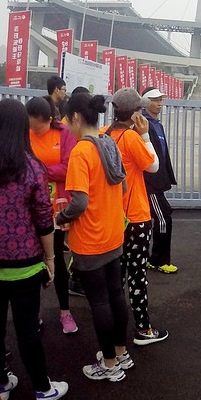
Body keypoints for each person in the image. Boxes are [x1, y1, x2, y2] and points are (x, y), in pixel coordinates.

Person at [0, 99, 69, 400]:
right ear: (23, 127)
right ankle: (43, 389)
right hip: (24, 264)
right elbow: (44, 219)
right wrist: (49, 260)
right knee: (27, 328)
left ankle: (0, 384)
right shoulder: (32, 166)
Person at [57, 91, 134, 382]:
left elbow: (78, 203)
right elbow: (123, 187)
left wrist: (59, 218)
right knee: (116, 294)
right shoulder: (109, 143)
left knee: (99, 301)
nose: (67, 125)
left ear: (76, 117)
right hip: (114, 232)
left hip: (90, 238)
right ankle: (120, 352)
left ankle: (110, 365)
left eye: (67, 119)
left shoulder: (81, 152)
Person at [104, 88, 169, 345]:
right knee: (138, 274)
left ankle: (114, 325)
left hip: (113, 216)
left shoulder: (103, 135)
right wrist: (144, 135)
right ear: (134, 114)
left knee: (116, 274)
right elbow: (153, 165)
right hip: (136, 216)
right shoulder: (132, 138)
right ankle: (143, 329)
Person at [26, 96, 79, 335]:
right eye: (31, 125)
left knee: (56, 256)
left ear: (50, 119)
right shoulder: (23, 133)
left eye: (39, 126)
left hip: (55, 206)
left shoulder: (64, 133)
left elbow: (69, 167)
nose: (35, 131)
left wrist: (39, 172)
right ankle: (33, 313)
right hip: (28, 205)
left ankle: (65, 311)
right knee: (32, 259)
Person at [141, 87, 179, 274]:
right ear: (146, 101)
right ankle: (158, 260)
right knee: (163, 218)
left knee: (159, 217)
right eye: (155, 100)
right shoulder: (143, 124)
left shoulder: (156, 123)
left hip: (157, 181)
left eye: (161, 100)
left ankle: (154, 258)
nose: (159, 104)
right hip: (150, 182)